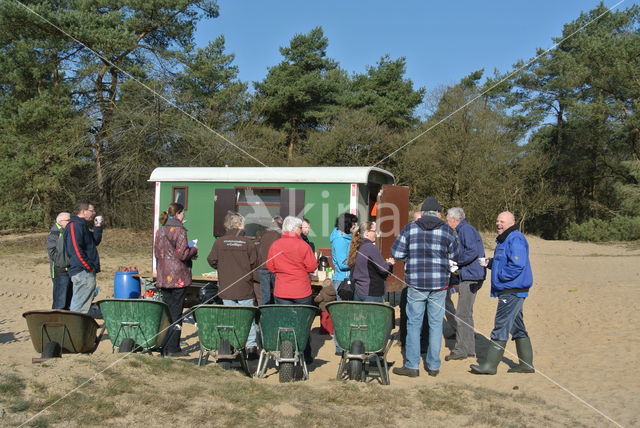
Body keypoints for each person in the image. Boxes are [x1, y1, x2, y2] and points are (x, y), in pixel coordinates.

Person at [391, 197, 458, 377]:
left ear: (424, 211)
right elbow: (455, 255)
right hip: (439, 284)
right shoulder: (447, 230)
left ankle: (412, 365)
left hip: (416, 283)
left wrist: (410, 256)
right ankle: (433, 365)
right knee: (436, 325)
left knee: (414, 323)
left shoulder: (410, 228)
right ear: (438, 212)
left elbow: (396, 252)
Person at [471, 211, 534, 375]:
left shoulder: (515, 238)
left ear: (512, 222)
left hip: (512, 290)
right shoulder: (505, 239)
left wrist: (500, 275)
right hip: (511, 289)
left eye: (502, 221)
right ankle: (526, 364)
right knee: (517, 325)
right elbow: (504, 261)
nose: (498, 224)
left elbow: (517, 265)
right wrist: (490, 263)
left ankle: (490, 366)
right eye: (497, 221)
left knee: (501, 325)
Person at [266, 216, 317, 363]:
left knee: (285, 323)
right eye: (300, 228)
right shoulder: (303, 245)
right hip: (301, 289)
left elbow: (270, 266)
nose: (301, 230)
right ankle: (305, 354)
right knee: (303, 323)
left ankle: (285, 351)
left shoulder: (276, 245)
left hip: (282, 289)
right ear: (295, 229)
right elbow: (312, 266)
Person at [208, 212, 259, 354]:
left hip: (226, 287)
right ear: (239, 225)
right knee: (247, 318)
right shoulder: (248, 243)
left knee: (230, 319)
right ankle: (250, 347)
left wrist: (222, 268)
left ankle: (231, 345)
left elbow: (211, 259)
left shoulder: (219, 242)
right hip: (245, 287)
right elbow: (255, 263)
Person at [154, 202, 198, 357]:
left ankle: (163, 345)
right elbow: (182, 254)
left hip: (163, 275)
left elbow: (157, 253)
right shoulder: (179, 230)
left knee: (167, 311)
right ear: (178, 213)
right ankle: (173, 348)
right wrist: (193, 249)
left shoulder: (160, 230)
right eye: (182, 213)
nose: (184, 215)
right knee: (176, 312)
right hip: (178, 276)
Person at [443, 207, 486, 361]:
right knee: (466, 313)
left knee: (462, 314)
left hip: (470, 276)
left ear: (455, 219)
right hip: (471, 275)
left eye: (448, 219)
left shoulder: (466, 230)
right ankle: (468, 348)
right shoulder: (465, 229)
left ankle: (461, 349)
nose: (447, 222)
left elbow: (472, 251)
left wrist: (456, 262)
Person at [65, 201, 104, 313]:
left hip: (86, 271)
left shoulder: (82, 225)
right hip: (82, 271)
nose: (94, 213)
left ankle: (78, 328)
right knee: (79, 305)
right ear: (83, 211)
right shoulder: (74, 225)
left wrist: (98, 227)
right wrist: (88, 266)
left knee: (84, 305)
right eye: (91, 210)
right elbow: (75, 249)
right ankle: (74, 327)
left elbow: (94, 241)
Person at [329, 212, 358, 354]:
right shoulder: (340, 240)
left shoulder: (347, 238)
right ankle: (340, 348)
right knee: (342, 316)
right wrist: (358, 260)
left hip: (346, 279)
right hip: (342, 281)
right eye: (353, 223)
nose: (355, 226)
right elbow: (342, 264)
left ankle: (345, 345)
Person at [347, 221, 394, 303]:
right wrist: (390, 263)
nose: (376, 233)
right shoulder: (370, 248)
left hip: (358, 291)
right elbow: (383, 269)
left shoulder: (357, 246)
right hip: (371, 293)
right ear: (367, 233)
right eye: (374, 231)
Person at [46, 212, 72, 310]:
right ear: (61, 222)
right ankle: (55, 322)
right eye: (68, 221)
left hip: (69, 269)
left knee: (69, 300)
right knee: (60, 302)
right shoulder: (54, 233)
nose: (70, 223)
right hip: (59, 271)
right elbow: (52, 253)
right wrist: (63, 263)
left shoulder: (67, 231)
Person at [256, 216, 282, 305]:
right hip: (275, 267)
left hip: (262, 266)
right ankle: (277, 311)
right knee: (277, 293)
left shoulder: (261, 234)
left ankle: (264, 313)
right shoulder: (281, 235)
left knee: (265, 294)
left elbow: (257, 249)